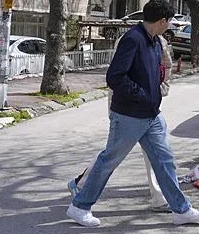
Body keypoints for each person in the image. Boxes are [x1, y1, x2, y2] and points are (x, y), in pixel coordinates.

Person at [66, 0, 199, 227]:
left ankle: (181, 210)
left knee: (165, 161)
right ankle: (79, 206)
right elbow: (115, 77)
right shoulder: (133, 39)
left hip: (151, 115)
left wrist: (157, 92)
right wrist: (142, 95)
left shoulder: (153, 41)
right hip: (129, 115)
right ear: (162, 21)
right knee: (109, 160)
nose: (169, 25)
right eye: (169, 21)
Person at [67, 34, 173, 212]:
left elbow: (166, 68)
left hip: (148, 108)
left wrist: (161, 89)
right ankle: (81, 184)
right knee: (114, 153)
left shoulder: (160, 42)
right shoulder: (130, 40)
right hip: (125, 107)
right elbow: (117, 76)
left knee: (155, 153)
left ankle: (160, 197)